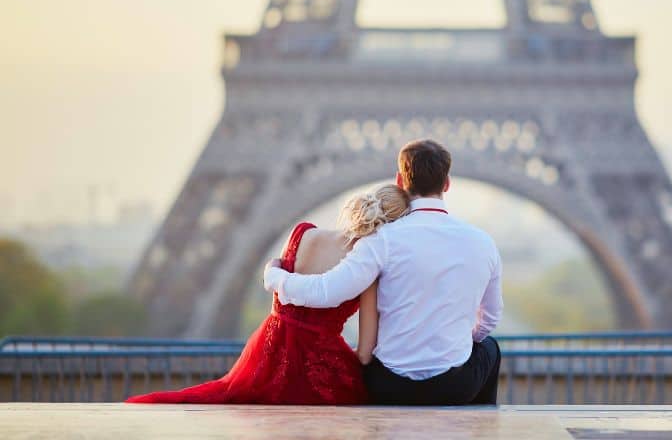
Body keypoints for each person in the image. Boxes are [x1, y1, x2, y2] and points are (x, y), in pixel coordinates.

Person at [264, 139, 503, 405]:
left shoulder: (382, 239)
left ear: (400, 180)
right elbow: (490, 318)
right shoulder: (483, 242)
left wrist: (276, 278)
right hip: (454, 386)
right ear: (446, 184)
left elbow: (327, 291)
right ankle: (481, 427)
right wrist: (461, 340)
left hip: (390, 386)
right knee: (490, 348)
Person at [125, 184, 410, 405]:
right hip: (321, 369)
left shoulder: (303, 234)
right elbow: (363, 355)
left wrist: (273, 275)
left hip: (267, 354)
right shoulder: (369, 271)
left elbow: (283, 289)